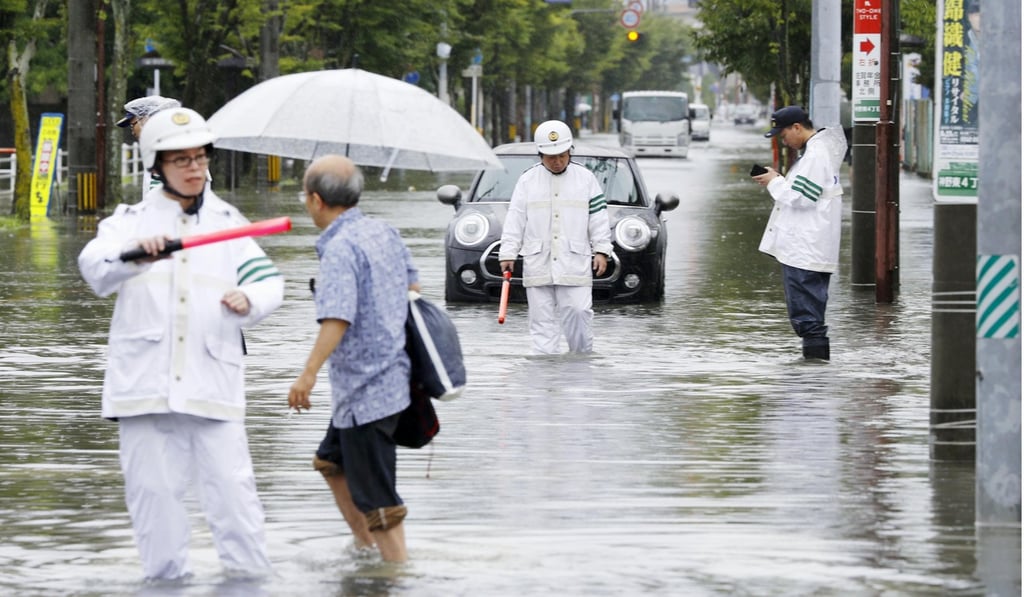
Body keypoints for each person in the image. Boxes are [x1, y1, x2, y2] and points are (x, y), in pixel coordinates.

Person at [78, 107, 283, 580]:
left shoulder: (229, 223)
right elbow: (95, 268)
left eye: (200, 158)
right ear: (157, 165)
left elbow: (269, 281)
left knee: (237, 509)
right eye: (181, 160)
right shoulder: (128, 221)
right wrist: (135, 257)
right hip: (143, 394)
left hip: (214, 389)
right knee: (157, 518)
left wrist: (248, 298)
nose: (194, 169)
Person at [287, 155, 419, 563]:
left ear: (315, 199)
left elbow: (337, 319)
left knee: (381, 502)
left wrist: (306, 375)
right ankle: (365, 549)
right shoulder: (383, 231)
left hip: (367, 393)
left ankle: (398, 576)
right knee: (330, 462)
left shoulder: (341, 249)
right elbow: (413, 284)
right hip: (387, 380)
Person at [498, 120, 613, 354]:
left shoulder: (586, 179)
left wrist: (602, 250)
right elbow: (515, 218)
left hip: (575, 262)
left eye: (562, 155)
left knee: (580, 314)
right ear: (540, 155)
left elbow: (599, 217)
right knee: (542, 326)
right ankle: (544, 380)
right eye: (551, 157)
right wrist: (508, 252)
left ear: (570, 151)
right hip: (538, 262)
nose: (558, 161)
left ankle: (581, 372)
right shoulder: (527, 181)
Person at [752, 105, 847, 361]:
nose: (784, 141)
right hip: (810, 246)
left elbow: (801, 196)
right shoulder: (817, 152)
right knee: (810, 316)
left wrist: (774, 181)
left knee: (808, 319)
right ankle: (813, 382)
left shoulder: (816, 155)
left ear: (797, 127)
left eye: (783, 135)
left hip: (806, 248)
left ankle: (813, 382)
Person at [115, 95, 182, 196]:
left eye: (133, 125)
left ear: (147, 120)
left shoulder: (176, 155)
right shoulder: (155, 154)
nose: (132, 132)